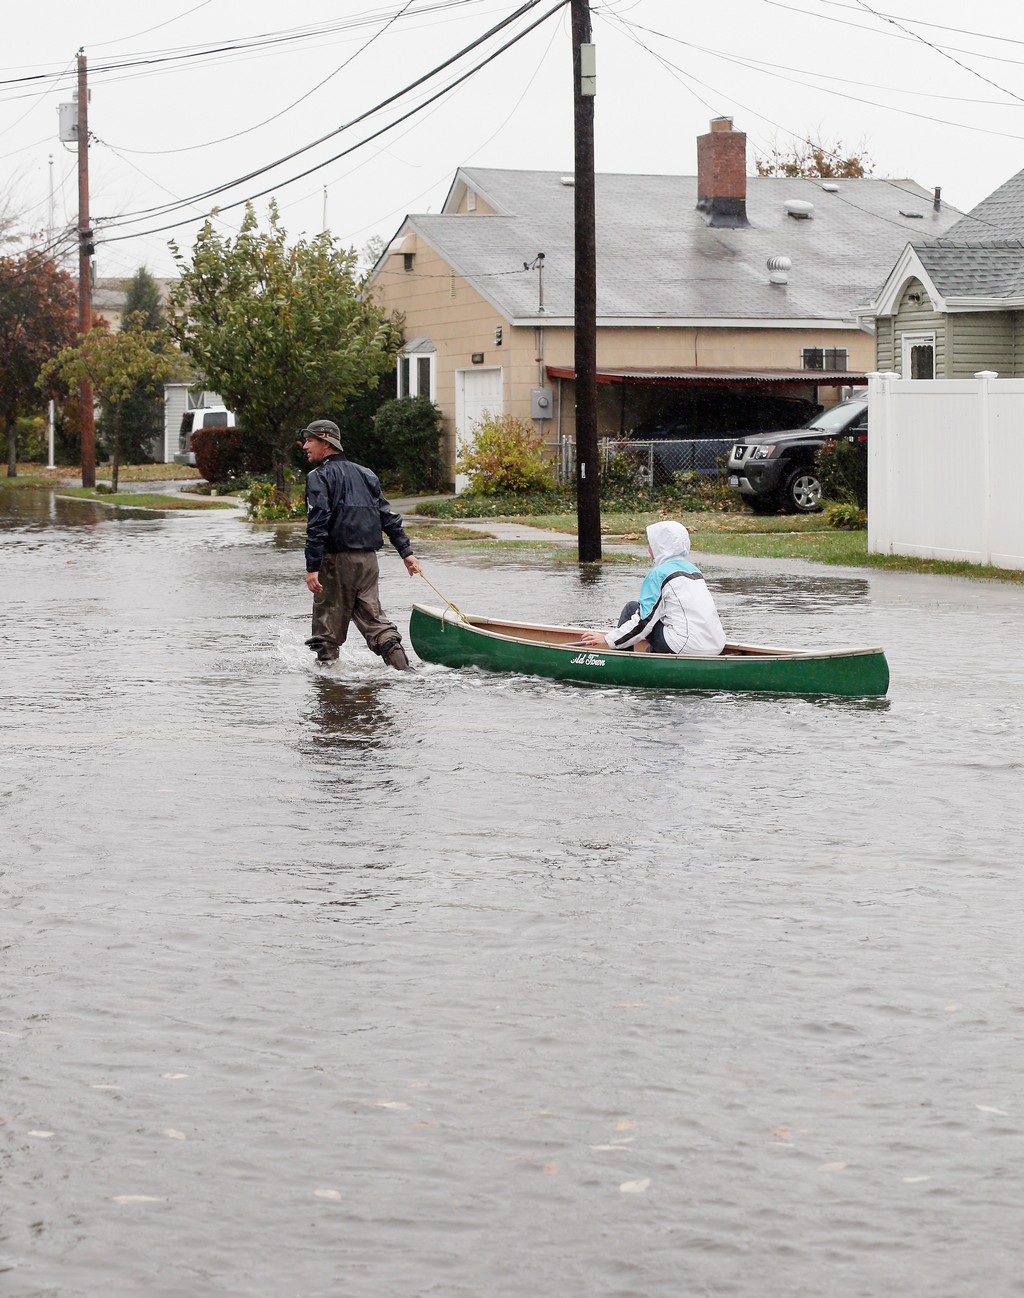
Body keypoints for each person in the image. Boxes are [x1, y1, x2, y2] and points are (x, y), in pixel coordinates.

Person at [300, 419, 422, 670]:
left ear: (325, 442)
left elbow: (318, 522)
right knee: (376, 623)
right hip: (368, 562)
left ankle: (330, 691)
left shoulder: (318, 476)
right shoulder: (367, 474)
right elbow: (388, 516)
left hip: (335, 562)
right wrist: (406, 553)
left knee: (326, 630)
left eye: (309, 440)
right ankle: (407, 673)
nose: (304, 446)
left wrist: (312, 566)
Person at [580, 520, 726, 656]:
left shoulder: (658, 574)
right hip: (716, 645)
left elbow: (643, 621)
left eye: (651, 545)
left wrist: (608, 639)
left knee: (632, 608)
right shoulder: (695, 571)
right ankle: (652, 654)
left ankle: (623, 662)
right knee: (660, 616)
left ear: (660, 547)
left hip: (686, 646)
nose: (649, 550)